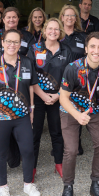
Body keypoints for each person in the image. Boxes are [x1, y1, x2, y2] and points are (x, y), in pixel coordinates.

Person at [0, 29, 41, 196]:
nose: (12, 45)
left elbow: (31, 87)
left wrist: (31, 110)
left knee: (28, 150)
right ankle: (3, 188)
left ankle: (28, 184)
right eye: (9, 41)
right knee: (0, 153)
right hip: (0, 117)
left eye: (16, 42)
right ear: (2, 42)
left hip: (22, 116)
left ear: (20, 44)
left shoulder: (27, 62)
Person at [59, 32, 99, 196]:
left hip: (94, 109)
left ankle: (96, 183)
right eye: (92, 46)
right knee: (71, 150)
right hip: (71, 109)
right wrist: (77, 114)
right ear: (86, 49)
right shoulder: (72, 68)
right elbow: (63, 98)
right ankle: (68, 186)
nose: (96, 50)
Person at [27, 18, 74, 182]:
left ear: (60, 31)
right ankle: (32, 168)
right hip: (38, 97)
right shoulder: (34, 49)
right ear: (44, 30)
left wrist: (58, 96)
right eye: (50, 29)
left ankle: (59, 164)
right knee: (34, 133)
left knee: (57, 132)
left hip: (58, 97)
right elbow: (30, 76)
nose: (53, 32)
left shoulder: (66, 51)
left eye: (56, 29)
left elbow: (70, 77)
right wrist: (43, 95)